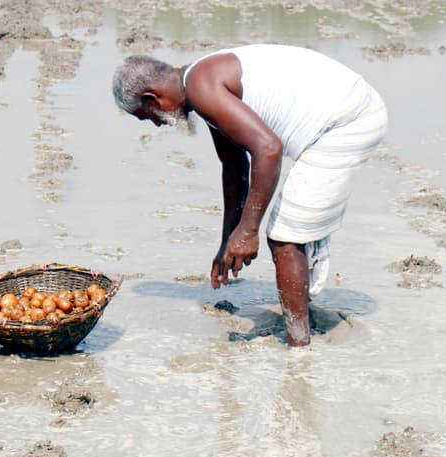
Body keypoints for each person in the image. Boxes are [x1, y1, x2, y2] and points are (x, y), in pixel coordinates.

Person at [112, 44, 388, 346]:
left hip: (348, 121)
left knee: (285, 236)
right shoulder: (199, 82)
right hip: (350, 109)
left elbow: (269, 150)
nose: (157, 124)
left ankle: (299, 351)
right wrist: (228, 239)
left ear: (153, 98)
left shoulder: (202, 87)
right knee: (289, 224)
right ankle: (301, 315)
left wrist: (248, 231)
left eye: (147, 116)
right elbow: (234, 167)